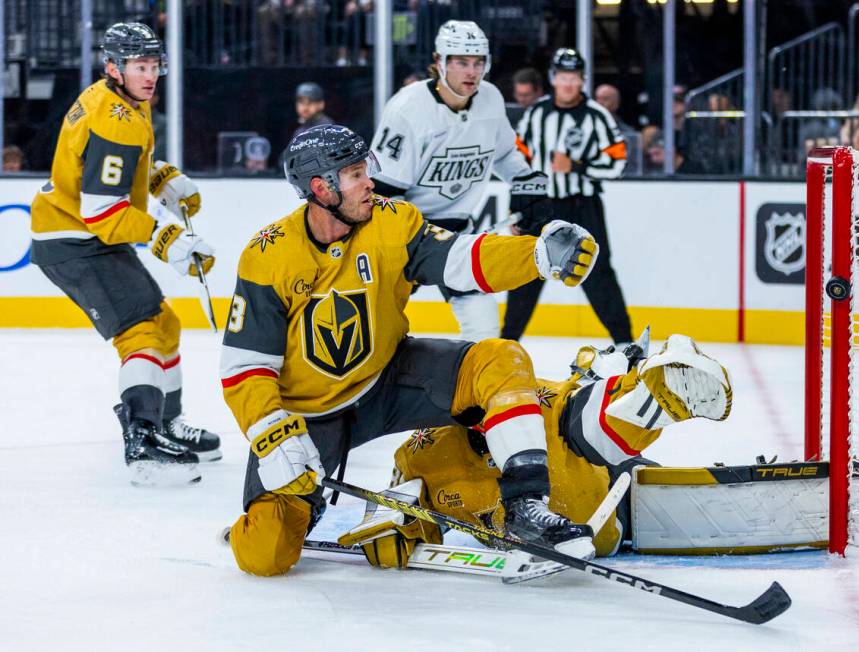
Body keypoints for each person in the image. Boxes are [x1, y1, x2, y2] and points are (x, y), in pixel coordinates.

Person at [220, 124, 601, 576]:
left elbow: (460, 259)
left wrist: (535, 256)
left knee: (499, 359)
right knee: (264, 555)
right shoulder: (268, 254)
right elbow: (247, 366)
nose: (370, 183)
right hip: (308, 413)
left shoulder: (392, 220)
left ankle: (526, 506)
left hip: (388, 379)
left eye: (367, 170)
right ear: (321, 188)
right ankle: (290, 511)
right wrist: (272, 435)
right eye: (356, 174)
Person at [340, 334, 734, 564]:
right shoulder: (423, 449)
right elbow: (402, 501)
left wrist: (641, 397)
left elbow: (589, 418)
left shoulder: (538, 401)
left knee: (620, 454)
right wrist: (396, 527)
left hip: (613, 501)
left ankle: (662, 407)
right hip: (576, 528)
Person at [29, 23, 221, 485]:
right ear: (114, 67)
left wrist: (157, 177)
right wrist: (167, 239)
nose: (150, 75)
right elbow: (102, 210)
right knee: (140, 333)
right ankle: (144, 444)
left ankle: (168, 423)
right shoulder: (115, 118)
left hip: (80, 235)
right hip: (75, 241)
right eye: (140, 66)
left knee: (164, 323)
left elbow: (102, 171)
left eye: (154, 66)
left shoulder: (116, 100)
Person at [368, 20, 549, 341]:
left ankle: (478, 385)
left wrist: (527, 185)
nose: (472, 72)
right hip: (401, 230)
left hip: (455, 231)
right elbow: (381, 191)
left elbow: (506, 155)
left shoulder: (490, 99)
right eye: (462, 62)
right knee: (376, 324)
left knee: (483, 323)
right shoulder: (408, 109)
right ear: (440, 63)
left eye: (478, 62)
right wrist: (411, 237)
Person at [503, 48, 632, 345]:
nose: (568, 84)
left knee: (598, 273)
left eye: (574, 78)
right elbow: (519, 163)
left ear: (583, 80)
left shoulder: (597, 116)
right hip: (542, 207)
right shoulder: (537, 114)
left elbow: (619, 162)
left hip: (582, 204)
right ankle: (507, 344)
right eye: (563, 77)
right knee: (527, 274)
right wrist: (518, 208)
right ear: (552, 79)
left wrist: (576, 166)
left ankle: (626, 344)